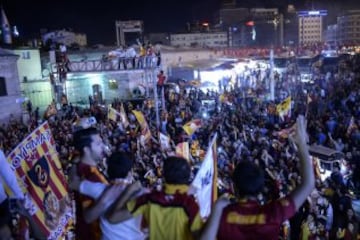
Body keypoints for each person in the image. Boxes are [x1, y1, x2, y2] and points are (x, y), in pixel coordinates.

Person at [200, 115, 315, 240]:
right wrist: (302, 144)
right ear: (261, 187)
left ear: (234, 187)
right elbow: (308, 184)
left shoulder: (223, 215)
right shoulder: (273, 213)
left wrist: (216, 208)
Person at [107, 156, 204, 240]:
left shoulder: (148, 199)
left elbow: (113, 218)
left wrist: (128, 191)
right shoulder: (190, 205)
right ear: (187, 177)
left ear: (163, 175)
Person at [69, 151, 147, 240]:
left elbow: (72, 183)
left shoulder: (100, 189)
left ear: (108, 171)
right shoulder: (142, 194)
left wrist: (74, 163)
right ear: (130, 173)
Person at [72, 127, 109, 240]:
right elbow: (89, 216)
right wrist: (109, 197)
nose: (103, 146)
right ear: (87, 150)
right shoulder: (89, 176)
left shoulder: (80, 167)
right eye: (98, 144)